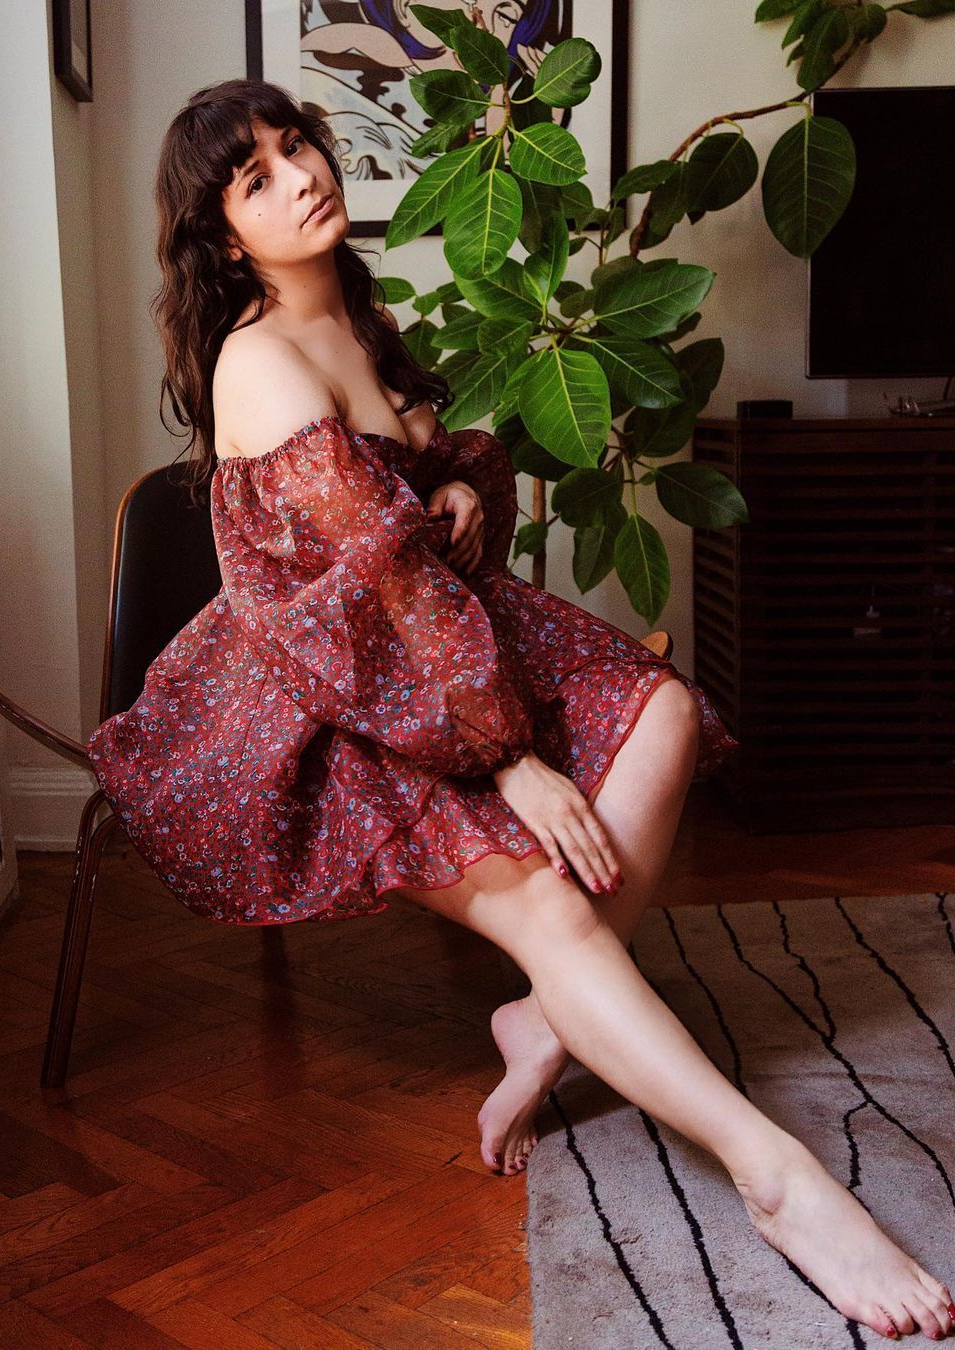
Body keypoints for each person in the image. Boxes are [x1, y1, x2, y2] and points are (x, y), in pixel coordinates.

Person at [86, 76, 954, 1342]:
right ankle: (777, 1177)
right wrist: (509, 765)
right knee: (549, 899)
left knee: (662, 713)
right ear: (223, 238)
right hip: (334, 694)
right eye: (256, 179)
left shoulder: (358, 317)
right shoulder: (260, 360)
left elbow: (418, 524)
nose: (302, 174)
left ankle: (545, 1018)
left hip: (429, 642)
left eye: (297, 143)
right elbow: (373, 603)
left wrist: (456, 492)